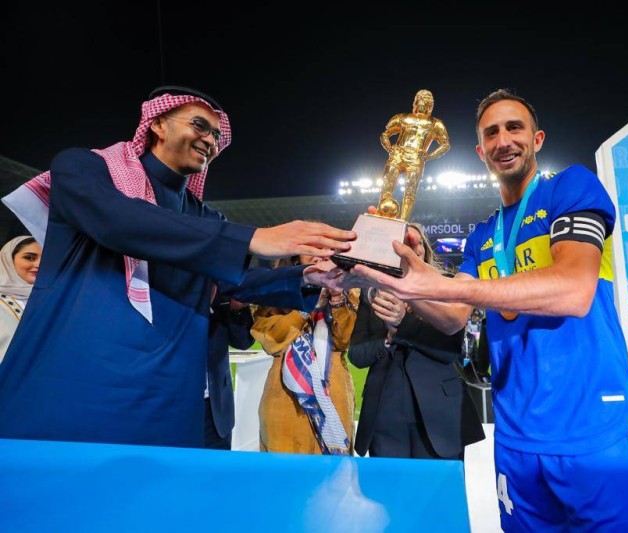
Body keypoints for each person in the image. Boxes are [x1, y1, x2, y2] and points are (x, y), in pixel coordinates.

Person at [349, 90, 628, 532]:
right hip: (516, 437)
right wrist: (399, 277)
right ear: (480, 151)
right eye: (491, 133)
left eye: (514, 128)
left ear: (537, 139)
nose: (503, 140)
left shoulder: (571, 188)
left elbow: (574, 290)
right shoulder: (482, 235)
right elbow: (453, 315)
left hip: (595, 429)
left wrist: (446, 285)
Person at [0, 86, 353, 448]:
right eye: (199, 125)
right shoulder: (84, 168)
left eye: (216, 135)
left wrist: (309, 277)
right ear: (158, 123)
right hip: (81, 383)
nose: (210, 140)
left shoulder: (203, 217)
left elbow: (233, 281)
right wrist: (253, 237)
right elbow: (119, 221)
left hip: (169, 393)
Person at [348, 223, 484, 460]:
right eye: (408, 243)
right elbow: (357, 355)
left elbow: (450, 350)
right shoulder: (371, 293)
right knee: (389, 485)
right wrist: (387, 338)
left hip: (438, 415)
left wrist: (403, 323)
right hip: (384, 417)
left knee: (438, 485)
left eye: (420, 243)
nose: (416, 248)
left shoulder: (445, 287)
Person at [251, 255, 359, 455]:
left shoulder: (347, 288)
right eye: (314, 246)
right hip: (285, 396)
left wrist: (336, 297)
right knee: (285, 466)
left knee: (333, 469)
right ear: (296, 253)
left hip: (333, 391)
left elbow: (343, 340)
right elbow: (272, 340)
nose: (320, 252)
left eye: (326, 246)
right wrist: (306, 308)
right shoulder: (276, 286)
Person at [376, 89, 450, 220]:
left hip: (416, 158)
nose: (422, 101)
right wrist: (389, 148)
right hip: (398, 154)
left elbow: (446, 144)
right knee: (386, 186)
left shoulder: (435, 123)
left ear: (430, 104)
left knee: (410, 192)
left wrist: (429, 156)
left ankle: (403, 221)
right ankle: (381, 216)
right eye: (419, 98)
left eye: (426, 100)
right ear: (415, 102)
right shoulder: (402, 117)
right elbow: (385, 134)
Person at [204, 294, 254, 450]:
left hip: (215, 413)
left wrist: (237, 310)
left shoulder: (222, 294)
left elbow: (243, 342)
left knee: (216, 465)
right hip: (172, 406)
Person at [0, 236, 41, 362]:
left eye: (46, 259)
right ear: (8, 260)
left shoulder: (53, 300)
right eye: (29, 257)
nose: (39, 264)